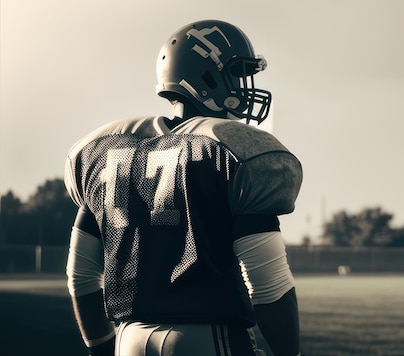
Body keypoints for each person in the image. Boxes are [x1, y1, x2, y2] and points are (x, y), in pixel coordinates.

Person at [64, 20, 302, 356]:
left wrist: (103, 349)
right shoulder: (232, 149)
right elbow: (270, 286)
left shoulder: (101, 150)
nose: (245, 87)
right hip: (206, 337)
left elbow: (82, 276)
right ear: (208, 77)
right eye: (238, 73)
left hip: (129, 338)